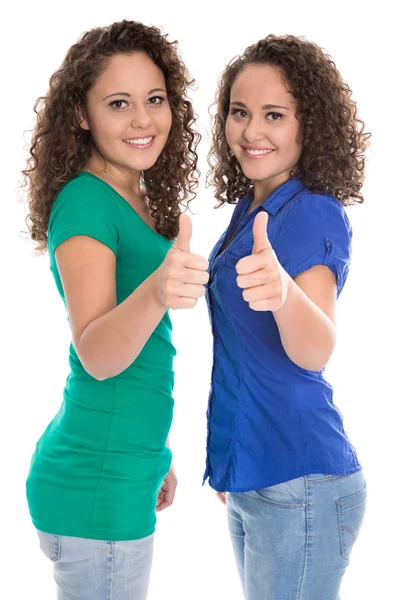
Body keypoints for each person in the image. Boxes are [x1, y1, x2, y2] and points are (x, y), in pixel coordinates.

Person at [23, 19, 208, 600]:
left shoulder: (130, 190)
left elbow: (139, 352)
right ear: (81, 114)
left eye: (155, 100)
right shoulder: (85, 203)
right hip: (95, 490)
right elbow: (99, 354)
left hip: (120, 468)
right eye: (118, 103)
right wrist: (157, 289)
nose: (143, 121)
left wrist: (153, 453)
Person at [204, 34, 369, 600]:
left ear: (309, 125)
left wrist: (282, 295)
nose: (253, 132)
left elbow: (315, 348)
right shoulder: (253, 207)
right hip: (259, 476)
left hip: (300, 480)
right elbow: (242, 355)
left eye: (274, 115)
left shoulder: (312, 212)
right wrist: (233, 460)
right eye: (240, 112)